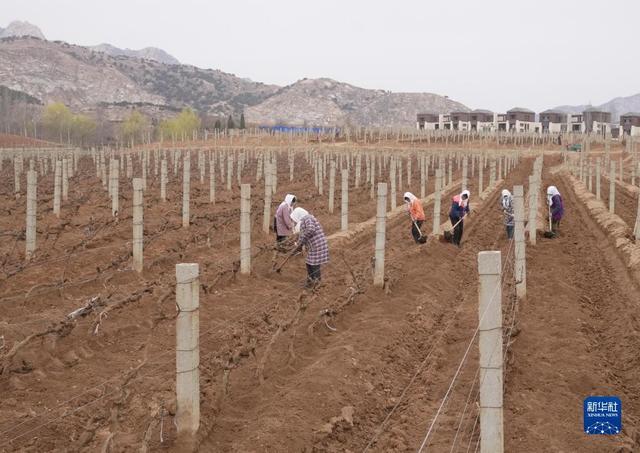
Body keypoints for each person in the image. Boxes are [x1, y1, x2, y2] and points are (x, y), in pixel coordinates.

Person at [290, 207, 329, 288]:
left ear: (298, 215)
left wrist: (302, 240)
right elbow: (302, 237)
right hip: (314, 246)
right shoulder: (304, 221)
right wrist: (298, 245)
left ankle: (317, 284)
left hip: (318, 245)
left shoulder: (307, 218)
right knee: (308, 263)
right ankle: (310, 283)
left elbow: (311, 229)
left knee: (314, 264)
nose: (294, 220)